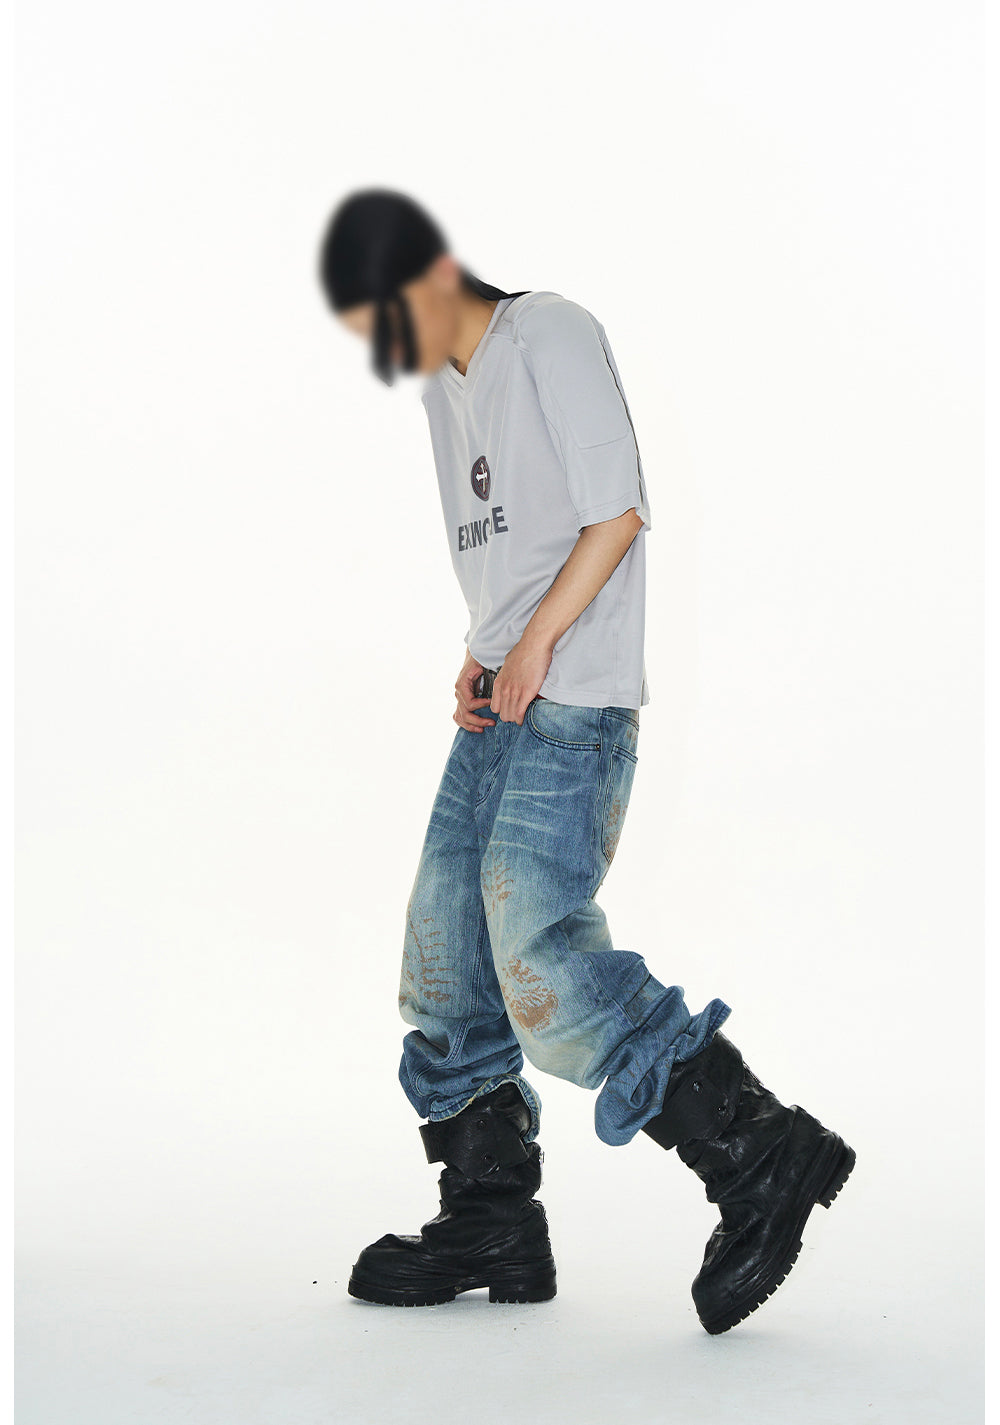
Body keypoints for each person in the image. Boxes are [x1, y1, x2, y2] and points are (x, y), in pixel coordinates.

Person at [315, 187, 855, 1335]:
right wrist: (481, 654)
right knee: (444, 958)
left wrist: (538, 647)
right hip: (504, 702)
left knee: (539, 955)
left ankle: (758, 1149)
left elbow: (616, 516)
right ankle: (490, 1218)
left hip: (576, 702)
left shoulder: (548, 333)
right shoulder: (441, 390)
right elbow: (508, 552)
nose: (388, 350)